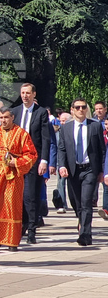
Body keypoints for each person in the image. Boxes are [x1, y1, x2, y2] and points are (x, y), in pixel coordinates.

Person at [0, 108, 38, 250]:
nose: (3, 120)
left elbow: (32, 154)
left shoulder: (21, 134)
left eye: (6, 117)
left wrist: (16, 163)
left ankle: (11, 240)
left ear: (12, 117)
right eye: (1, 118)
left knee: (12, 207)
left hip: (13, 176)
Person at [57, 99, 105, 246]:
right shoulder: (66, 128)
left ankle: (85, 234)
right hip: (73, 170)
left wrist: (102, 171)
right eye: (77, 107)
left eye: (83, 107)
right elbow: (62, 148)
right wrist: (62, 166)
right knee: (76, 202)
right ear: (72, 110)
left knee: (86, 202)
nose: (81, 110)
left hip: (90, 169)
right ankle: (81, 221)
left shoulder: (95, 126)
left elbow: (102, 150)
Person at [11, 83, 50, 244]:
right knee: (18, 196)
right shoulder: (15, 112)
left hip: (33, 161)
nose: (25, 96)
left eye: (28, 93)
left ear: (34, 94)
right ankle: (22, 226)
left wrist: (44, 161)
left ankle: (32, 230)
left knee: (30, 196)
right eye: (22, 93)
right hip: (16, 162)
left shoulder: (40, 113)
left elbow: (46, 138)